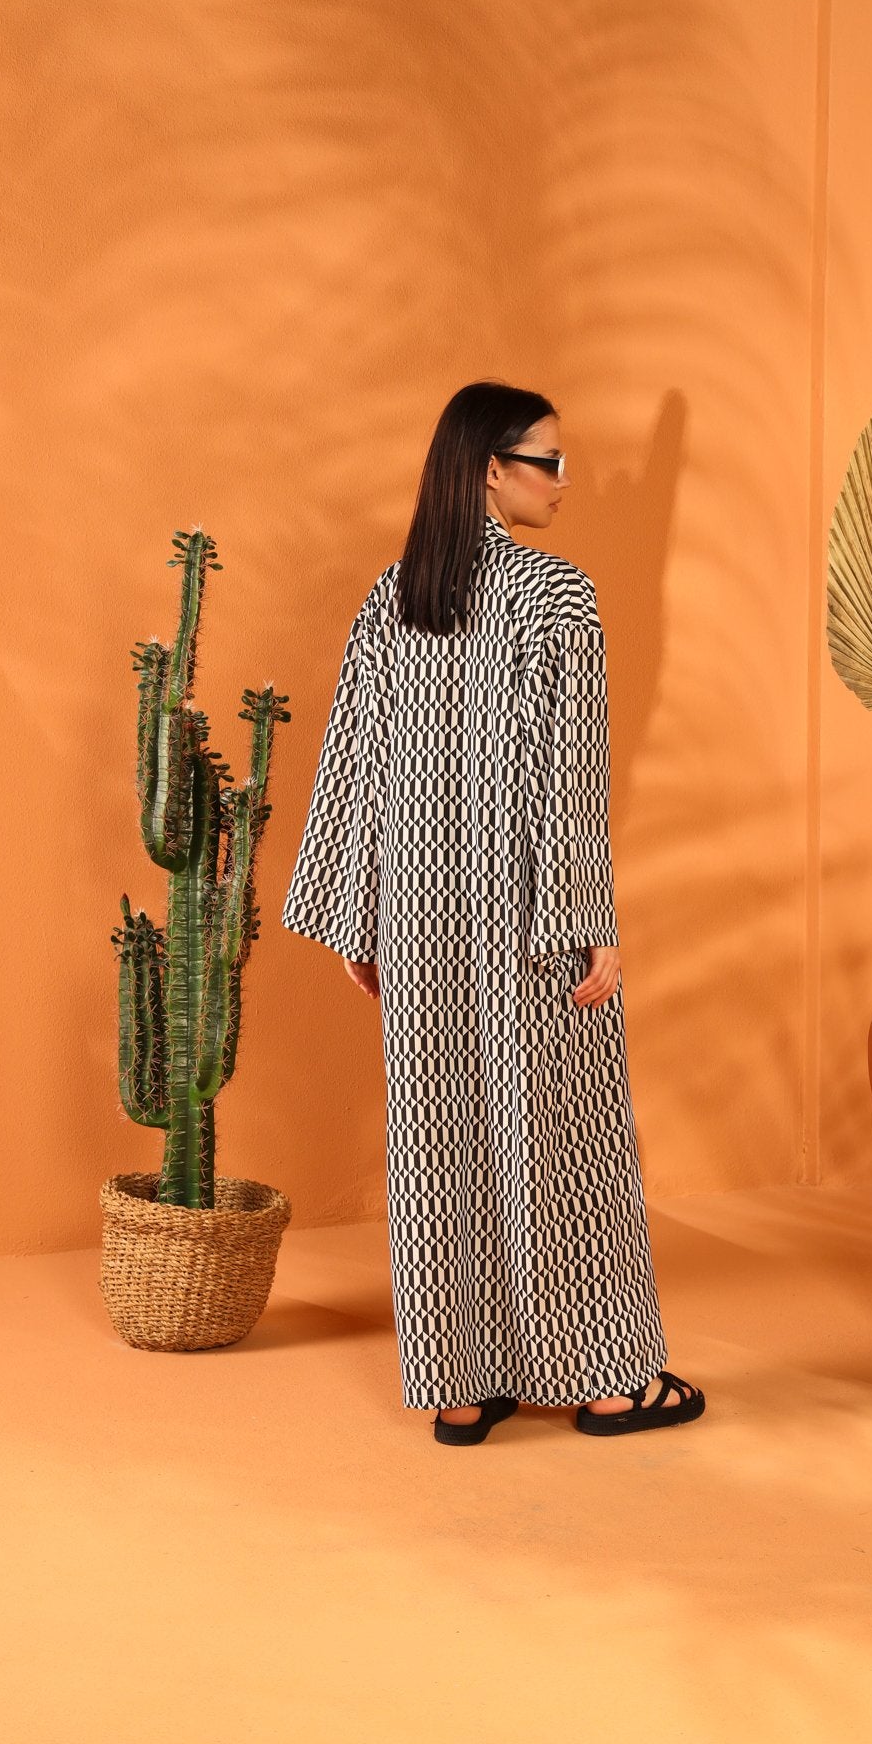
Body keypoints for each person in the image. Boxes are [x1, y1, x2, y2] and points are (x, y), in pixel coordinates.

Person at [281, 380, 705, 1447]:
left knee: (438, 1138)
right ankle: (607, 1381)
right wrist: (589, 920)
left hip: (416, 914)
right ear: (489, 471)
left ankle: (461, 1389)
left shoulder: (394, 597)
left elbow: (355, 762)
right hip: (524, 914)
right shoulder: (559, 597)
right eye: (548, 462)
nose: (564, 481)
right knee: (565, 1134)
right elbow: (572, 779)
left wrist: (362, 918)